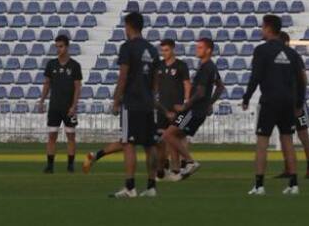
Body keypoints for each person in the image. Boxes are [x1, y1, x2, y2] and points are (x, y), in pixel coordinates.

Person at [82, 12, 158, 198]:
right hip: (149, 104)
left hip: (132, 103)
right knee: (150, 145)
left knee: (128, 143)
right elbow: (156, 82)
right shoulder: (152, 49)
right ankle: (151, 187)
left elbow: (123, 76)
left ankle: (130, 187)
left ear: (129, 26)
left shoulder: (127, 47)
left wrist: (116, 101)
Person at [241, 14, 300, 195]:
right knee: (288, 142)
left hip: (270, 101)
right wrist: (299, 103)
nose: (261, 30)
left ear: (268, 28)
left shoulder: (262, 50)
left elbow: (256, 76)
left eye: (262, 27)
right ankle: (293, 184)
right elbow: (300, 81)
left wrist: (247, 97)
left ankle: (259, 185)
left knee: (262, 143)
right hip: (288, 101)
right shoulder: (291, 53)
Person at [160, 37, 223, 182]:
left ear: (208, 50)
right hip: (197, 110)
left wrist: (185, 106)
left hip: (192, 111)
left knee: (168, 135)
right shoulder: (211, 66)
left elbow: (200, 92)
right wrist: (210, 102)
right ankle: (176, 171)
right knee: (175, 135)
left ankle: (190, 162)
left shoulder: (206, 67)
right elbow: (220, 87)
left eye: (200, 47)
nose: (197, 49)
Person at [37, 34, 81, 174]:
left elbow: (78, 87)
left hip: (69, 107)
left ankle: (70, 165)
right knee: (51, 136)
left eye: (61, 46)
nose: (58, 49)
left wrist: (74, 106)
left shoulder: (75, 66)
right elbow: (47, 84)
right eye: (57, 47)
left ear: (67, 47)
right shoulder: (51, 64)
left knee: (71, 136)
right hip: (54, 107)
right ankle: (50, 165)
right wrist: (42, 100)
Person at [277, 32, 309, 180]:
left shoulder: (294, 56)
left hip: (297, 103)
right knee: (284, 136)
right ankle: (288, 168)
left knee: (303, 135)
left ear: (284, 42)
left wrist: (300, 101)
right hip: (285, 103)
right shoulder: (279, 59)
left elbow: (303, 80)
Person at [153, 39, 190, 179]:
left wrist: (186, 103)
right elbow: (155, 86)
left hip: (177, 109)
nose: (164, 53)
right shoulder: (159, 66)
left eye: (167, 50)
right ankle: (162, 168)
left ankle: (177, 168)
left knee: (177, 139)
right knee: (161, 140)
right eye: (162, 50)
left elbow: (187, 85)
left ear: (173, 49)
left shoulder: (181, 66)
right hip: (162, 109)